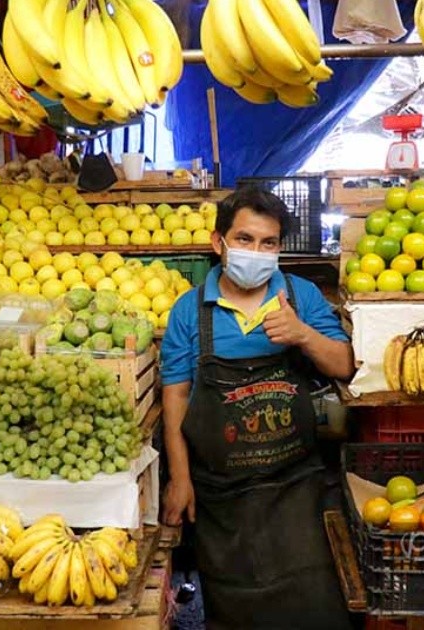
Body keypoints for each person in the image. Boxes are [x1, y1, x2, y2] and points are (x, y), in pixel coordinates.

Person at [159, 186, 355, 629]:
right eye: (245, 240)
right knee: (235, 611)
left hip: (294, 490)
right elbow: (175, 396)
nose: (256, 252)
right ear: (219, 243)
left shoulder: (299, 296)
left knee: (314, 609)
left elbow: (344, 365)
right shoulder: (190, 311)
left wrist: (302, 334)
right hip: (220, 497)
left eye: (268, 243)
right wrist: (181, 478)